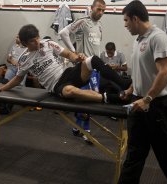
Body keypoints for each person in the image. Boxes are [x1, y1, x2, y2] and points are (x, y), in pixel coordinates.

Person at [117, 1, 167, 183]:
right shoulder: (139, 39)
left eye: (126, 21)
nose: (125, 25)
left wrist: (147, 98)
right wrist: (131, 89)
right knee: (134, 153)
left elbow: (166, 71)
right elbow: (141, 71)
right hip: (138, 102)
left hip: (157, 106)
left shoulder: (158, 38)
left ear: (135, 18)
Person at [0, 24, 130, 105]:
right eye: (32, 40)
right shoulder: (24, 59)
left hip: (68, 74)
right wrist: (3, 87)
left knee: (92, 59)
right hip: (57, 86)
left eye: (37, 37)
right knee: (71, 92)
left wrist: (77, 57)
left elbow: (68, 54)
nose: (37, 42)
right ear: (25, 43)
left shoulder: (48, 43)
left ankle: (124, 84)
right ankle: (108, 98)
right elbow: (18, 79)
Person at [59, 0, 106, 142]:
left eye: (103, 10)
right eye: (98, 9)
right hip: (84, 68)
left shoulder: (99, 26)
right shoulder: (83, 21)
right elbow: (63, 33)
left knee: (91, 97)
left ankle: (76, 127)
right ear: (91, 8)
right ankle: (86, 131)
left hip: (95, 69)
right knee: (87, 99)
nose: (101, 13)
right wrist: (74, 52)